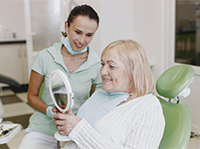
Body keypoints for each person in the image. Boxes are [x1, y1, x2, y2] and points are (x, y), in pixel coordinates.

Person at [53, 40, 165, 148]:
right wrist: (67, 123)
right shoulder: (102, 95)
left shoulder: (148, 107)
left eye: (111, 66)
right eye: (102, 64)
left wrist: (78, 129)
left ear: (133, 72)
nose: (102, 72)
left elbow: (81, 131)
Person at [19, 4, 101, 149]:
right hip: (43, 126)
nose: (82, 40)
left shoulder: (96, 64)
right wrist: (49, 111)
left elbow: (95, 102)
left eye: (89, 35)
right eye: (78, 32)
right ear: (66, 26)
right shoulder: (45, 56)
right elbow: (31, 95)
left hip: (76, 128)